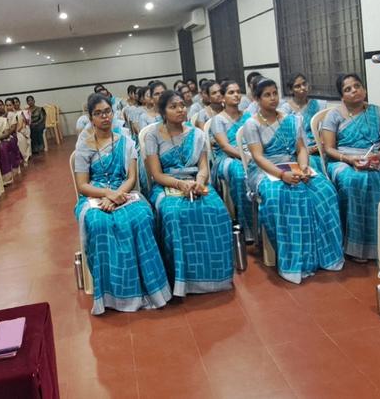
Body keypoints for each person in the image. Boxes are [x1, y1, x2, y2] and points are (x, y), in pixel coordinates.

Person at [72, 93, 171, 314]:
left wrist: (117, 195)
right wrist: (107, 194)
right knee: (99, 224)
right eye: (98, 113)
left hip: (124, 192)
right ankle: (112, 294)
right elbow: (82, 184)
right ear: (91, 118)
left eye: (107, 112)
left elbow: (131, 178)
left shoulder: (126, 141)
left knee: (142, 217)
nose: (104, 117)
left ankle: (149, 289)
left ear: (113, 113)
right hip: (94, 194)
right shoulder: (84, 145)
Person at [242, 79, 344, 283]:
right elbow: (259, 157)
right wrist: (281, 175)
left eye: (274, 93)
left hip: (293, 166)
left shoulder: (291, 119)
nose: (272, 98)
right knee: (281, 194)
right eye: (267, 95)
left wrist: (304, 166)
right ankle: (295, 259)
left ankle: (325, 254)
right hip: (266, 170)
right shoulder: (251, 124)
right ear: (256, 99)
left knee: (325, 190)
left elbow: (301, 149)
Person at [144, 90, 234, 296]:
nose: (180, 110)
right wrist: (180, 184)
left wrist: (198, 182)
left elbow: (203, 167)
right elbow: (156, 174)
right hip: (167, 185)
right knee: (174, 214)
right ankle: (181, 280)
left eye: (181, 105)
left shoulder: (197, 134)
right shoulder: (152, 135)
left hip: (195, 182)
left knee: (217, 210)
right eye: (173, 106)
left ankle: (216, 277)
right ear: (163, 111)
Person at [319, 73, 380, 262]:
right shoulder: (333, 116)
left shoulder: (377, 112)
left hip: (376, 157)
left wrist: (379, 156)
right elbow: (328, 149)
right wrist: (350, 159)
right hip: (343, 160)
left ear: (364, 89)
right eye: (348, 89)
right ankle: (359, 246)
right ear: (342, 96)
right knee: (355, 179)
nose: (354, 91)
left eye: (357, 86)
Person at [209, 80, 256, 243]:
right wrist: (246, 157)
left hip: (251, 154)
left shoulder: (248, 116)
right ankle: (249, 226)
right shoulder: (218, 120)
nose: (236, 95)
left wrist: (254, 155)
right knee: (239, 173)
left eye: (238, 91)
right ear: (222, 97)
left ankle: (263, 220)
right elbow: (224, 146)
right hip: (228, 158)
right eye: (231, 92)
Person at [278, 73, 325, 170]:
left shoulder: (318, 105)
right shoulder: (285, 109)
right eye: (297, 86)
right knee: (311, 163)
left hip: (318, 148)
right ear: (291, 90)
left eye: (304, 84)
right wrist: (305, 150)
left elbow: (323, 129)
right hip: (296, 151)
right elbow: (286, 137)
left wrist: (320, 143)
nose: (303, 88)